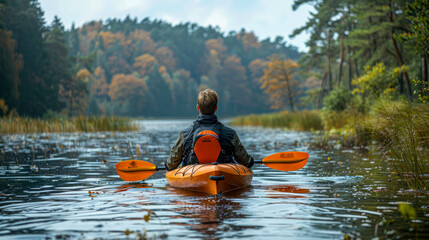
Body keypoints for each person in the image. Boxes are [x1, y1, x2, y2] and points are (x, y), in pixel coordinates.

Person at [165, 89, 254, 170]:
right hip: (223, 171)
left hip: (193, 171)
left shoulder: (185, 133)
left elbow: (171, 164)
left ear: (198, 108)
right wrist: (250, 161)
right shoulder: (230, 133)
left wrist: (167, 165)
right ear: (216, 108)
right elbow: (246, 162)